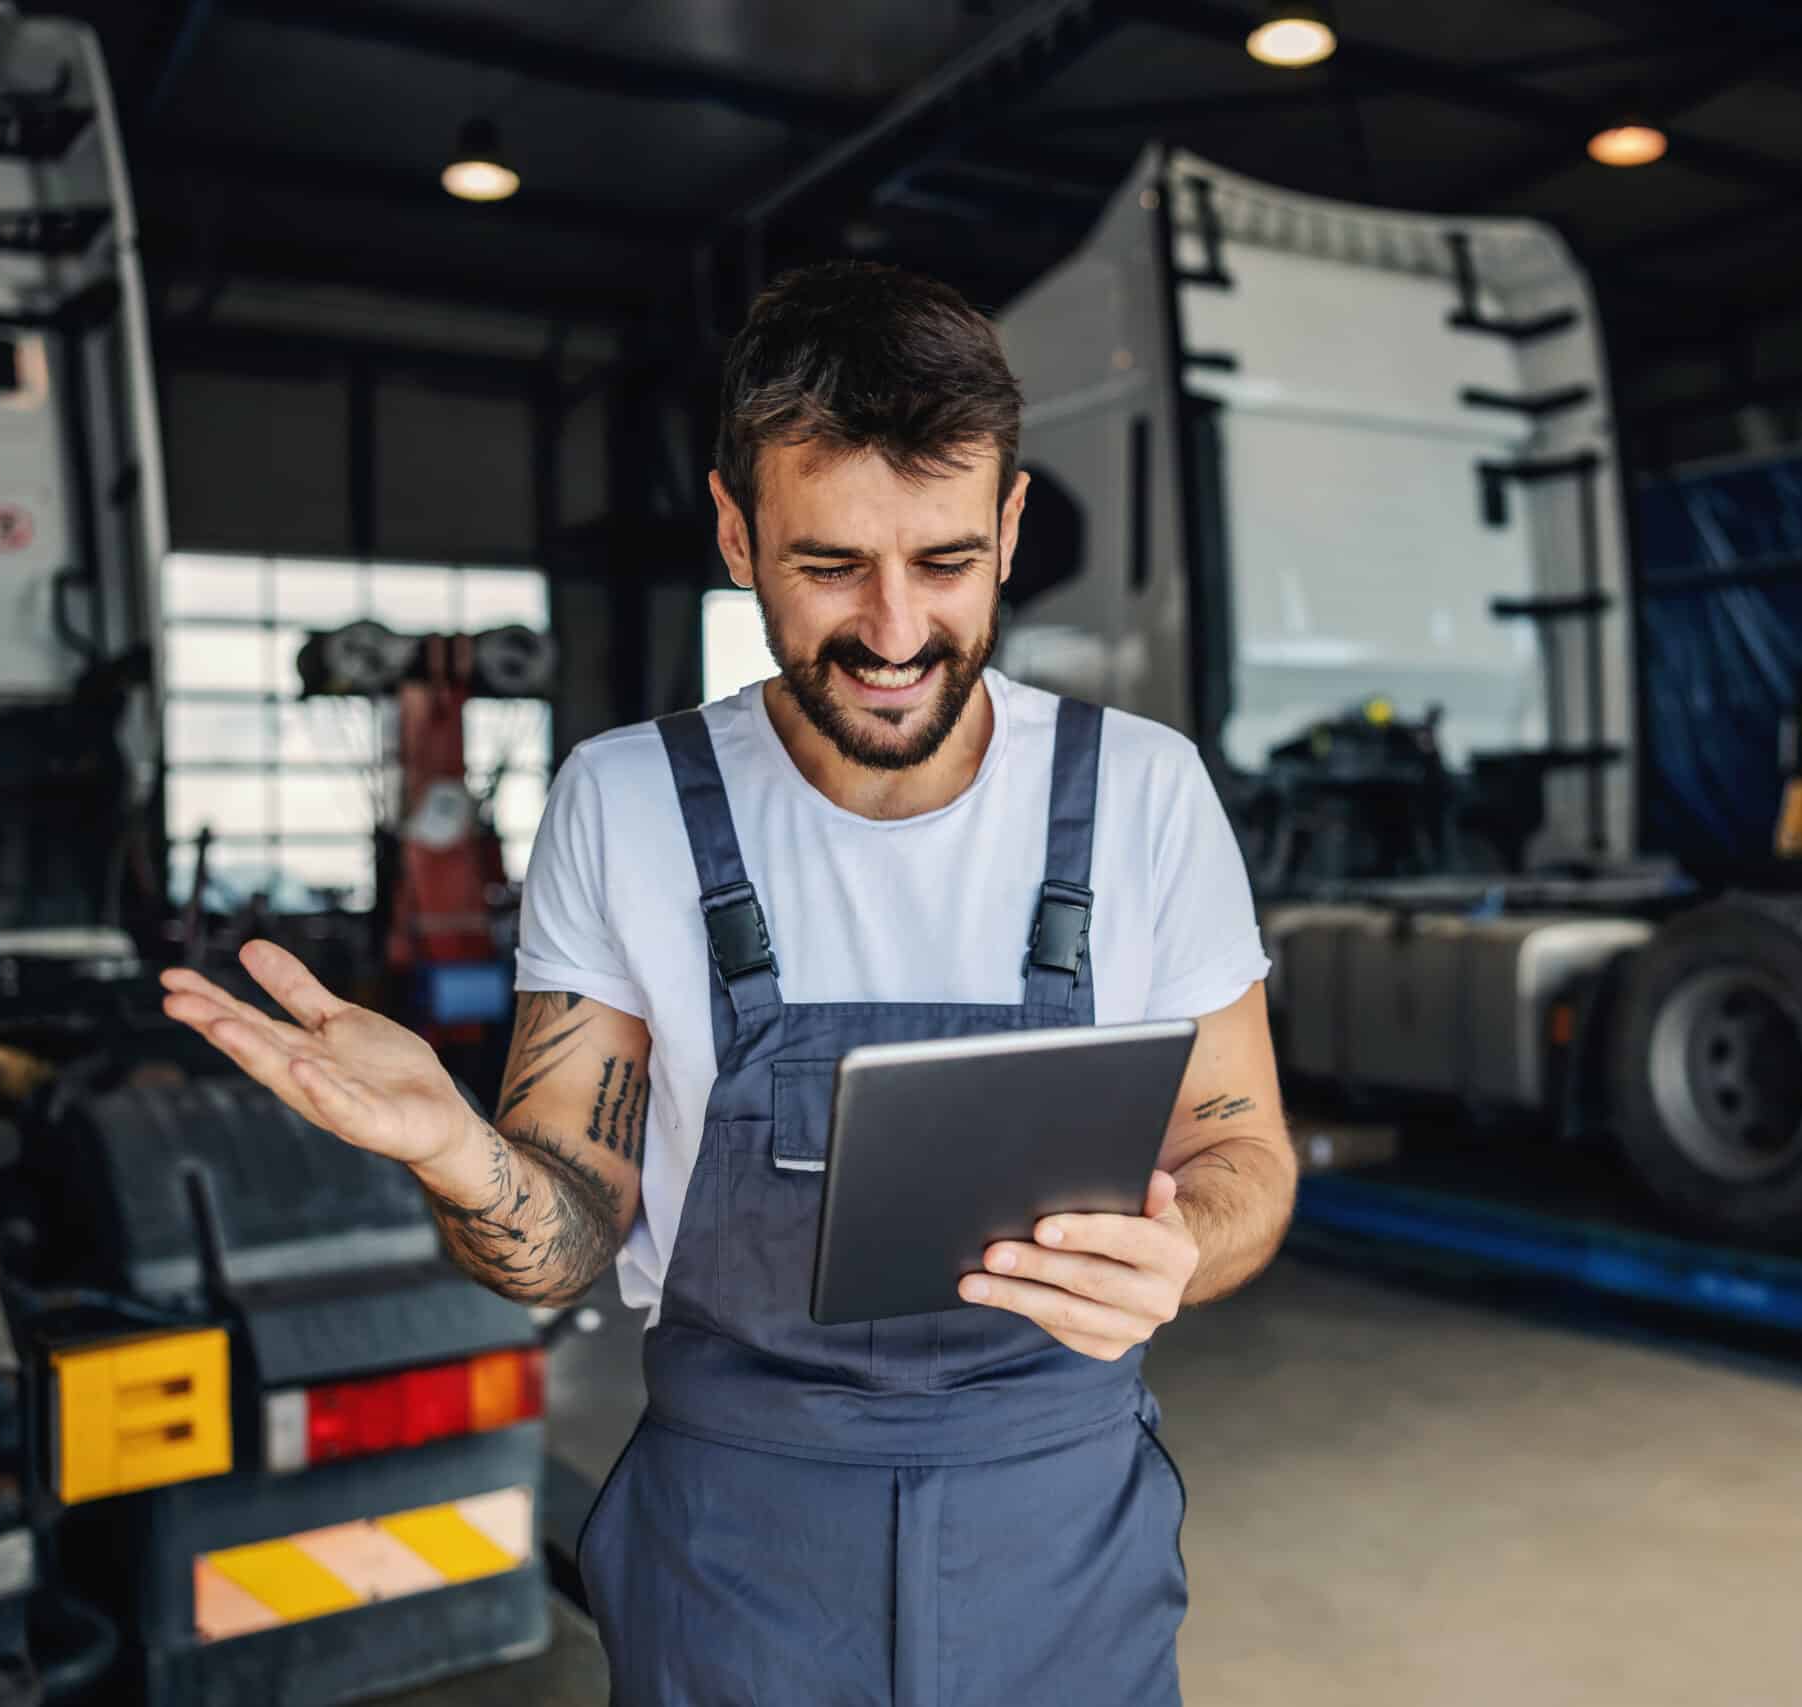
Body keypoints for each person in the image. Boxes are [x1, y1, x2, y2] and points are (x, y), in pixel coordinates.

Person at [158, 259, 1297, 1705]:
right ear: (736, 532)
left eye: (944, 562)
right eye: (830, 565)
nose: (893, 633)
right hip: (739, 1553)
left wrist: (1186, 1243)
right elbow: (567, 1239)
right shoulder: (627, 804)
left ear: (1008, 527)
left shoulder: (1141, 794)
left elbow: (1241, 1149)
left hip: (1062, 1540)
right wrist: (457, 1152)